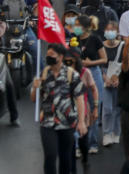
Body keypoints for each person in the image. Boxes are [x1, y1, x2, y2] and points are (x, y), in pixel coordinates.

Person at [33, 43, 88, 174]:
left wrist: (81, 122)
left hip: (67, 123)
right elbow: (34, 99)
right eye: (47, 55)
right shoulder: (44, 73)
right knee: (50, 155)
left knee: (66, 157)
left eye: (52, 55)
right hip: (47, 122)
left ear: (61, 56)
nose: (48, 57)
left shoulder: (71, 74)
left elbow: (80, 99)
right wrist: (35, 87)